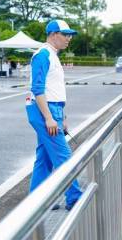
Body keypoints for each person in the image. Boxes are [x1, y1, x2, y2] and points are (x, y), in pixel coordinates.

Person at [26, 19, 83, 211]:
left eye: (70, 35)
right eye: (65, 34)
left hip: (53, 110)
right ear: (53, 34)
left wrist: (61, 117)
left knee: (45, 158)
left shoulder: (52, 55)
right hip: (44, 111)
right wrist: (49, 118)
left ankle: (37, 201)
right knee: (64, 156)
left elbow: (54, 89)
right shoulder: (42, 55)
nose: (69, 39)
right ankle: (74, 197)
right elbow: (38, 89)